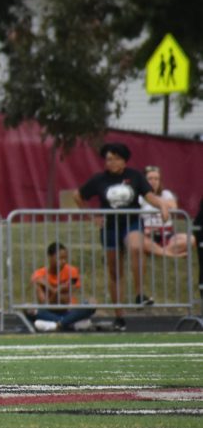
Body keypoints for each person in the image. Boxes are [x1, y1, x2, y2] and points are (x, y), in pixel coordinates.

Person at [77, 142, 171, 329]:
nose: (110, 162)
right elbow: (78, 196)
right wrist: (92, 216)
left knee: (136, 247)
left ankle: (139, 293)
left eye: (114, 159)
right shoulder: (99, 179)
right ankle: (119, 315)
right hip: (110, 227)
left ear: (123, 161)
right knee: (114, 271)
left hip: (131, 222)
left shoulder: (134, 176)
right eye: (108, 159)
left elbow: (149, 196)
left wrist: (161, 205)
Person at [31, 242, 94, 333]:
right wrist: (56, 291)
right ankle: (70, 323)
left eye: (65, 258)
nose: (63, 261)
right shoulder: (40, 273)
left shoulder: (72, 271)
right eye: (60, 258)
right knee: (31, 310)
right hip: (49, 311)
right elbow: (44, 303)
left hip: (69, 310)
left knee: (91, 303)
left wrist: (51, 289)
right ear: (50, 257)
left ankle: (57, 325)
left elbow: (66, 299)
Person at [139, 166, 191, 259]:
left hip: (166, 233)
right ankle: (169, 253)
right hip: (147, 233)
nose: (153, 181)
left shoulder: (166, 194)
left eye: (156, 179)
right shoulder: (139, 197)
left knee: (190, 239)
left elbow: (173, 207)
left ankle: (160, 251)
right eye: (150, 178)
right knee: (138, 241)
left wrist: (153, 198)